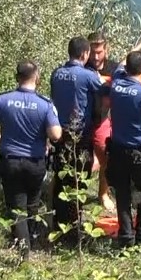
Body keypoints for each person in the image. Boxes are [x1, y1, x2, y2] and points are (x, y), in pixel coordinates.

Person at [0, 62, 62, 252]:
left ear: (17, 78)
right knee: (33, 202)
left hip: (10, 161)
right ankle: (31, 239)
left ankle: (22, 250)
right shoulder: (45, 104)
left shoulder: (3, 100)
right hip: (35, 162)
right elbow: (56, 135)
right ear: (37, 78)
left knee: (16, 205)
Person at [86, 30, 141, 212]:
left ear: (106, 50)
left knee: (106, 160)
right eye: (92, 52)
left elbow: (128, 61)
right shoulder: (82, 67)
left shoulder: (114, 69)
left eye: (99, 51)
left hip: (101, 121)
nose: (95, 56)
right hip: (82, 120)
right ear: (85, 51)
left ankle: (103, 194)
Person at [100, 50, 141, 247]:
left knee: (122, 193)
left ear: (126, 68)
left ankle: (126, 236)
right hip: (139, 151)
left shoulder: (116, 84)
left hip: (117, 149)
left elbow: (120, 65)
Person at [49, 36, 104, 247]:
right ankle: (73, 228)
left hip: (59, 134)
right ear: (85, 54)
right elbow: (104, 92)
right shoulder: (88, 76)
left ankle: (57, 222)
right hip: (80, 135)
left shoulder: (56, 74)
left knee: (61, 176)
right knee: (79, 178)